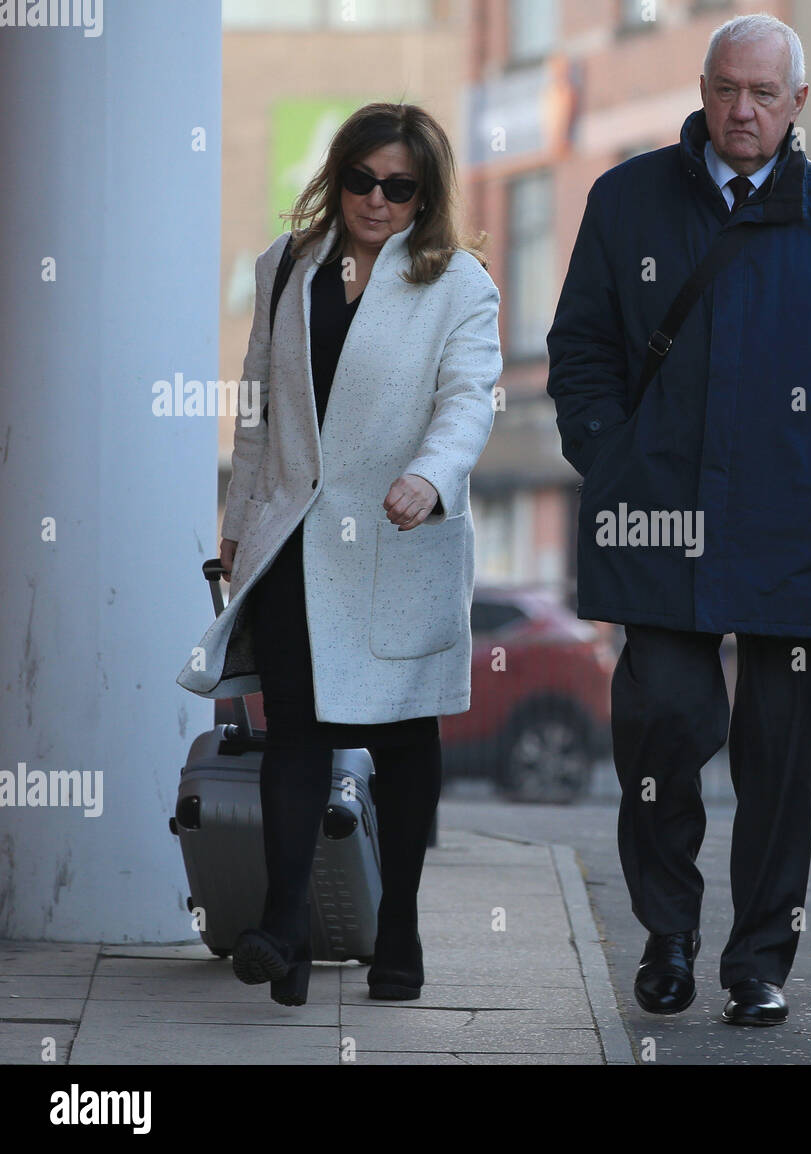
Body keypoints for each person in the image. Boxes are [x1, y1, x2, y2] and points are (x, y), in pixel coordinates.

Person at [547, 14, 811, 1027]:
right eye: (726, 89)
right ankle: (667, 929)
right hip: (655, 523)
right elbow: (579, 345)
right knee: (663, 730)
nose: (742, 110)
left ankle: (758, 959)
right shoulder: (626, 198)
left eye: (764, 93)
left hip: (792, 532)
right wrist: (609, 450)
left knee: (779, 763)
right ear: (702, 87)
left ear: (798, 103)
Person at [177, 102, 501, 1006]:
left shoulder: (459, 283)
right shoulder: (285, 268)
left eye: (398, 187)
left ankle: (397, 930)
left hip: (401, 541)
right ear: (338, 175)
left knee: (401, 741)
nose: (375, 200)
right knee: (297, 736)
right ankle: (284, 930)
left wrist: (431, 477)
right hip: (295, 539)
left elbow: (469, 399)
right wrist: (239, 520)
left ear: (423, 194)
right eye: (360, 179)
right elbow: (258, 415)